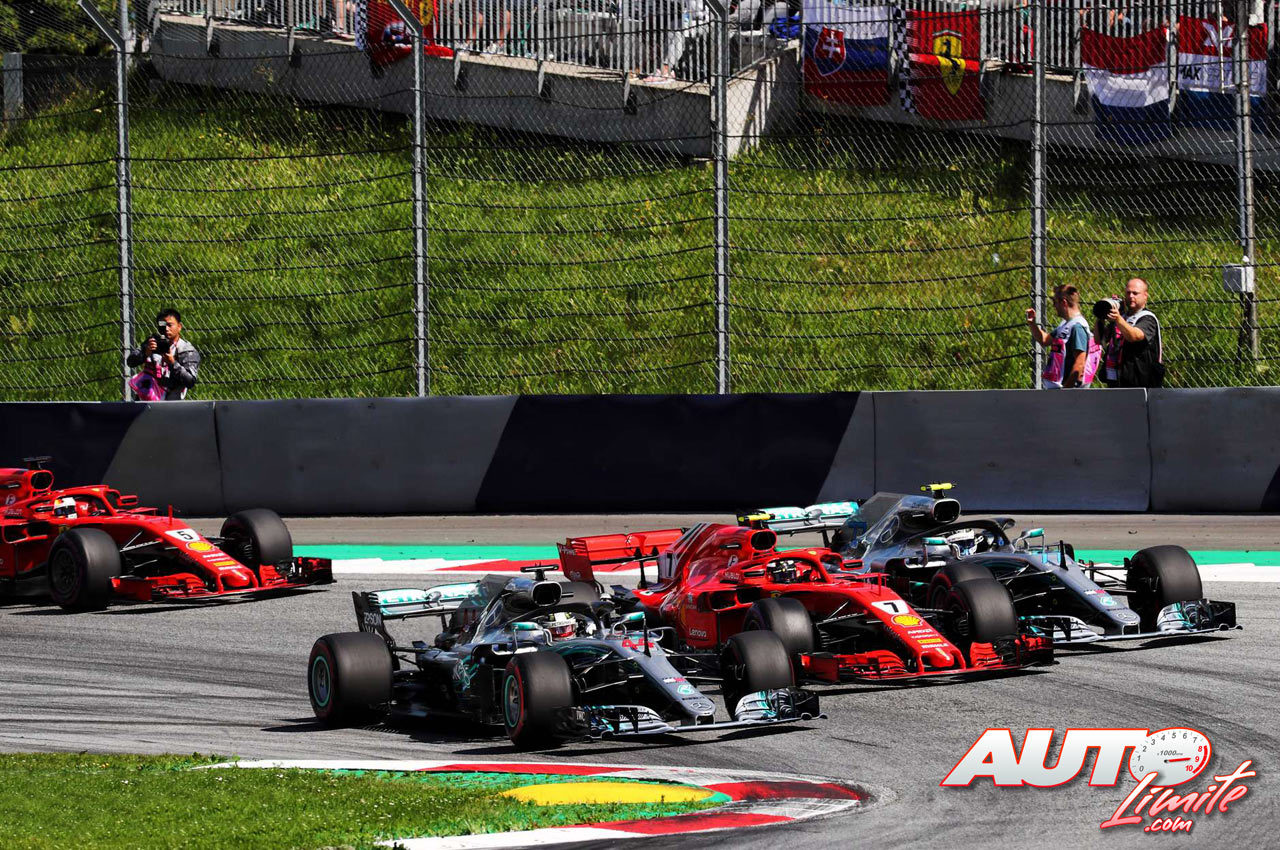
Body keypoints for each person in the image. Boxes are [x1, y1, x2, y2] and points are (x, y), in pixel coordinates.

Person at [1096, 277, 1164, 388]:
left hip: (1140, 383)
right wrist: (1101, 316)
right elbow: (1099, 340)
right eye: (1128, 293)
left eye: (1135, 293)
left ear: (1145, 296)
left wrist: (1118, 319)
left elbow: (1133, 336)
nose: (1131, 296)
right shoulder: (1122, 317)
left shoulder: (1148, 318)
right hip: (1116, 381)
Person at [1026, 284, 1098, 389]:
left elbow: (1080, 364)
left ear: (1064, 302)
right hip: (1059, 390)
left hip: (1069, 391)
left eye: (1055, 302)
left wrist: (1065, 391)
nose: (1054, 306)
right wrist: (1032, 323)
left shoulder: (1077, 327)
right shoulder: (1066, 324)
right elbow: (1044, 340)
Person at [126, 308, 201, 401]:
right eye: (163, 325)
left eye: (170, 325)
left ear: (179, 326)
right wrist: (145, 353)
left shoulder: (186, 350)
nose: (166, 329)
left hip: (172, 404)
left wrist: (173, 363)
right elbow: (130, 362)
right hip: (146, 402)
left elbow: (190, 381)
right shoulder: (152, 342)